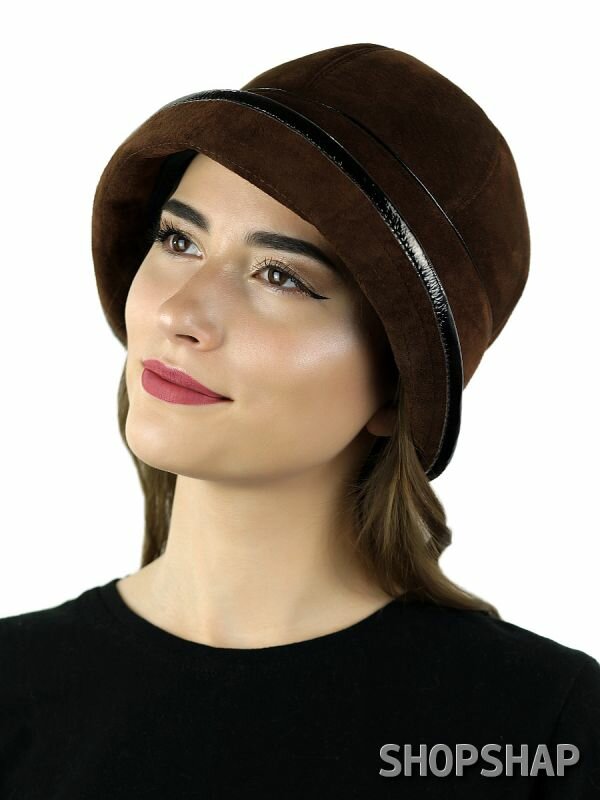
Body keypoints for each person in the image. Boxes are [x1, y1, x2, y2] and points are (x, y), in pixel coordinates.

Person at [1, 43, 599, 798]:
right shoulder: (14, 690)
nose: (181, 313)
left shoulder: (536, 730)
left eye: (279, 275)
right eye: (179, 240)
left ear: (397, 388)